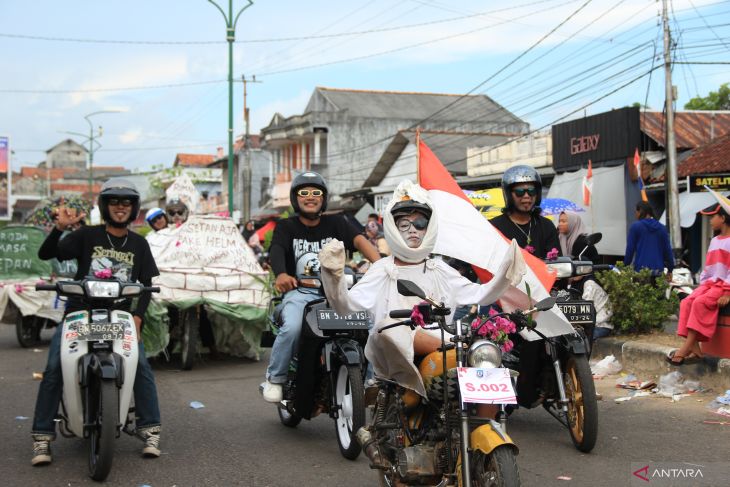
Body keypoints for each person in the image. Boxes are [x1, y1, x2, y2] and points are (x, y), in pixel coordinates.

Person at [318, 180, 524, 397]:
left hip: (446, 347)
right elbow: (346, 307)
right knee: (392, 326)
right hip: (399, 348)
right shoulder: (382, 269)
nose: (412, 230)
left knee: (486, 360)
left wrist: (505, 273)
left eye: (420, 223)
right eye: (403, 224)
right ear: (392, 227)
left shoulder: (440, 270)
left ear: (430, 226)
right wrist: (333, 277)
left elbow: (481, 294)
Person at [31, 178, 162, 466]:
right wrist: (60, 228)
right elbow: (47, 253)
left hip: (121, 317)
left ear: (134, 208)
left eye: (126, 202)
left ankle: (150, 430)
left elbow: (147, 284)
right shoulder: (87, 236)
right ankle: (42, 436)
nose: (120, 207)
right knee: (54, 366)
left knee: (139, 364)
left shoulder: (139, 244)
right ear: (105, 206)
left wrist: (138, 317)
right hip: (80, 313)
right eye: (114, 201)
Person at [261, 171, 381, 402]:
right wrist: (282, 274)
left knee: (375, 322)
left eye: (316, 193)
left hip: (338, 293)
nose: (310, 197)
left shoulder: (336, 222)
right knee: (293, 327)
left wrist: (382, 264)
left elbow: (359, 241)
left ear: (323, 198)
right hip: (300, 293)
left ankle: (371, 379)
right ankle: (275, 378)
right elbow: (277, 250)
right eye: (304, 193)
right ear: (296, 198)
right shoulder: (286, 226)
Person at [668, 203, 730, 365]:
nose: (710, 220)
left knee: (700, 303)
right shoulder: (715, 240)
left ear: (723, 218)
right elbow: (708, 267)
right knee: (687, 302)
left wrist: (727, 292)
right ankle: (696, 350)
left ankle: (686, 347)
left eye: (713, 217)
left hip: (722, 286)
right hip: (709, 284)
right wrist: (703, 285)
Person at [557, 211, 614, 340]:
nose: (560, 224)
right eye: (559, 221)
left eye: (564, 221)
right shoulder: (562, 239)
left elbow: (584, 313)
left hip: (598, 324)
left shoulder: (581, 243)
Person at [490, 165, 561, 259]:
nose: (526, 196)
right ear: (508, 195)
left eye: (531, 191)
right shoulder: (494, 227)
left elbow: (557, 263)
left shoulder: (546, 226)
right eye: (520, 191)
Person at [624, 201, 674, 277]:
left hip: (640, 273)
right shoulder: (662, 228)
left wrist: (625, 267)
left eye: (636, 212)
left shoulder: (635, 227)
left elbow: (630, 250)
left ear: (640, 211)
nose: (636, 215)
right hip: (658, 273)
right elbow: (668, 251)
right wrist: (670, 270)